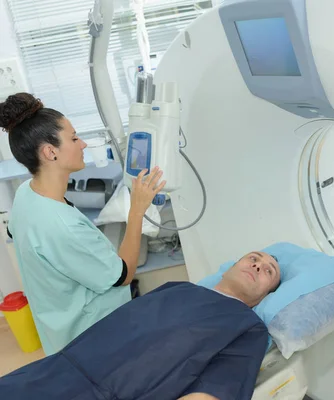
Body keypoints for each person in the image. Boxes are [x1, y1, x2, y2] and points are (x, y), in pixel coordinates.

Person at [0, 92, 166, 356]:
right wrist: (136, 211)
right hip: (95, 339)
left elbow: (24, 232)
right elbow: (123, 276)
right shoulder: (61, 226)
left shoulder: (25, 194)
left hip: (60, 333)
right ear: (50, 152)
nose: (84, 144)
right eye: (75, 138)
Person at [0, 251, 281, 400]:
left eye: (268, 271)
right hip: (57, 367)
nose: (258, 265)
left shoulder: (248, 327)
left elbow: (215, 391)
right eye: (253, 258)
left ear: (266, 295)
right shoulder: (177, 288)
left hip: (107, 391)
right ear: (233, 264)